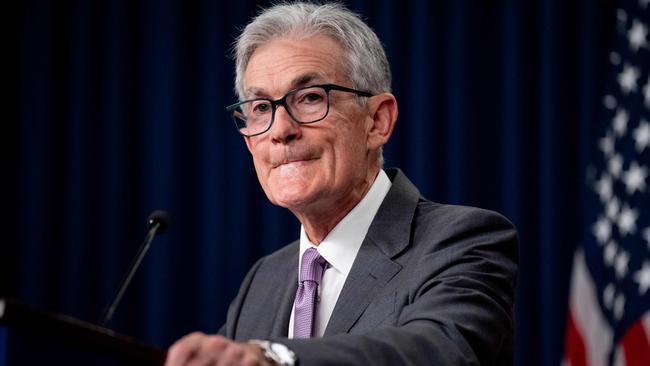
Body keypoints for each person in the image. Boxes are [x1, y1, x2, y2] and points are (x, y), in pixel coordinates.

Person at [165, 2, 518, 365]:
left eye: (310, 98)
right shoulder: (264, 280)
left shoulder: (463, 240)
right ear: (249, 140)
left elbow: (440, 349)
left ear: (377, 121)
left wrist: (276, 356)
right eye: (260, 108)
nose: (281, 130)